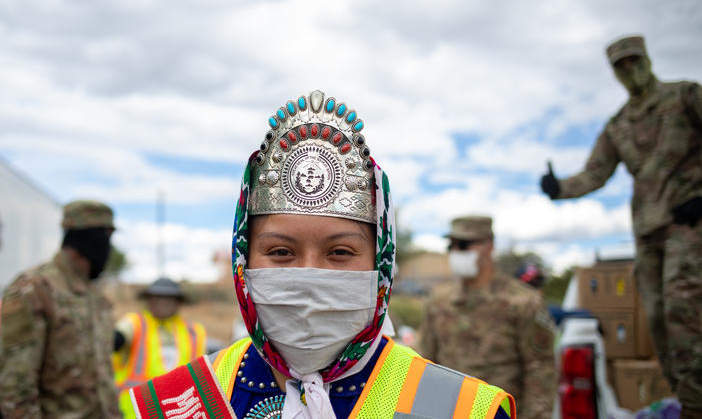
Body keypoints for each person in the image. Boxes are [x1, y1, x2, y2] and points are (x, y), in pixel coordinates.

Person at [125, 90, 516, 418]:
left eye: (340, 252)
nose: (309, 274)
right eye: (280, 252)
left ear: (381, 267)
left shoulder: (465, 409)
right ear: (243, 263)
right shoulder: (166, 404)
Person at [539, 35, 702, 417]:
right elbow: (596, 172)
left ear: (646, 59)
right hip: (648, 229)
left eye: (634, 61)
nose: (630, 70)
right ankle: (690, 402)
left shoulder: (685, 97)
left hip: (690, 222)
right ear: (615, 73)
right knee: (658, 318)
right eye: (621, 66)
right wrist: (559, 188)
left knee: (684, 308)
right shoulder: (619, 125)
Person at [419, 215, 555, 419]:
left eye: (463, 245)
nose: (456, 252)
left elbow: (540, 369)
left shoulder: (522, 301)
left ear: (489, 245)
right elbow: (425, 361)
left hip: (499, 413)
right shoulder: (438, 302)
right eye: (452, 245)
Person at [0, 200, 121, 418]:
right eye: (107, 237)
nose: (109, 248)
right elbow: (15, 386)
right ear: (90, 238)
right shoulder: (34, 289)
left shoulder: (96, 298)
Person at [113, 277, 207, 417]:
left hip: (177, 412)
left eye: (168, 298)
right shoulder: (136, 323)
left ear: (178, 302)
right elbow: (117, 338)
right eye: (157, 298)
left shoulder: (194, 332)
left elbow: (202, 376)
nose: (162, 303)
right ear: (148, 300)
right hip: (134, 412)